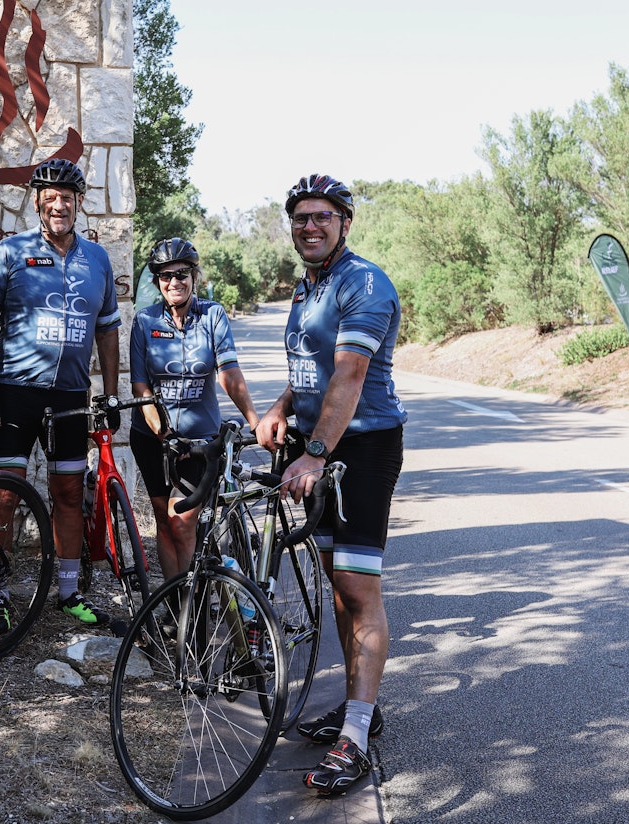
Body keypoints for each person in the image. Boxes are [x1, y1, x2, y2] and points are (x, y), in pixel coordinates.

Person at [255, 173, 407, 797]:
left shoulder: (365, 283)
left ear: (345, 222)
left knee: (356, 586)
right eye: (300, 218)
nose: (309, 226)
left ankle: (358, 737)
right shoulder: (306, 286)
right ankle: (355, 713)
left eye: (322, 217)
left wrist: (314, 452)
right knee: (335, 586)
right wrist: (280, 406)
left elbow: (347, 378)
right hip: (317, 441)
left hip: (363, 446)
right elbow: (311, 371)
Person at [0, 158, 122, 630]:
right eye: (51, 197)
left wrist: (110, 395)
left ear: (79, 204)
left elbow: (109, 332)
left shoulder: (97, 259)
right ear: (37, 203)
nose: (60, 205)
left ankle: (70, 591)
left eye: (68, 198)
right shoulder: (10, 254)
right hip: (15, 393)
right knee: (4, 495)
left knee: (69, 493)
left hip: (72, 396)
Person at [129, 238, 260, 580]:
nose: (174, 282)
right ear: (157, 281)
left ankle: (191, 602)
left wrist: (254, 421)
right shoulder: (144, 322)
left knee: (181, 521)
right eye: (165, 276)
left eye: (182, 273)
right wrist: (163, 433)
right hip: (152, 437)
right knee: (163, 518)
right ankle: (176, 608)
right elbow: (141, 388)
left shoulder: (212, 315)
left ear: (194, 276)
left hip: (200, 441)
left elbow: (229, 373)